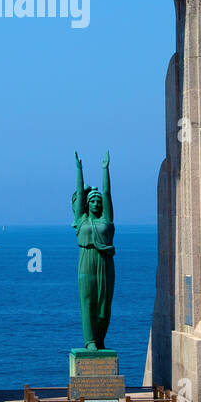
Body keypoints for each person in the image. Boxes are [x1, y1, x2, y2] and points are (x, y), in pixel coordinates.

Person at [72, 150, 115, 350]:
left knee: (104, 306)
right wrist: (79, 169)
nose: (97, 203)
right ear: (87, 204)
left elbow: (107, 193)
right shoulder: (81, 219)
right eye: (93, 201)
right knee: (88, 301)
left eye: (98, 201)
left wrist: (105, 169)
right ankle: (90, 341)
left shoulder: (106, 220)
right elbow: (80, 193)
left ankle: (100, 338)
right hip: (86, 260)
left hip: (105, 262)